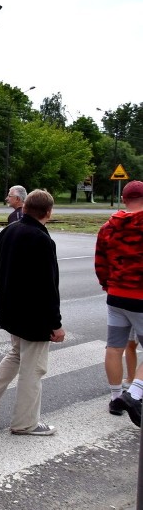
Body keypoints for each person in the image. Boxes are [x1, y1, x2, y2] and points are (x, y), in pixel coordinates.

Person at [0, 189, 64, 436]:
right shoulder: (42, 239)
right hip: (34, 316)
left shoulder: (9, 231)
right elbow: (49, 286)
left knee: (16, 353)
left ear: (24, 208)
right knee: (33, 369)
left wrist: (6, 293)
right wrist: (55, 323)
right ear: (48, 212)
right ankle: (26, 423)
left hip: (10, 310)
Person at [97, 180, 143, 426]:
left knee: (114, 347)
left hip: (115, 295)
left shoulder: (108, 227)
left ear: (124, 200)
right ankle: (133, 394)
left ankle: (116, 398)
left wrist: (109, 284)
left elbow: (100, 261)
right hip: (141, 296)